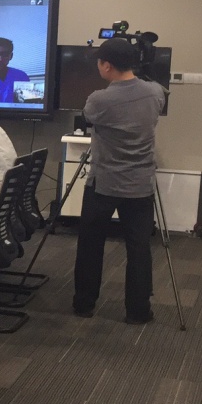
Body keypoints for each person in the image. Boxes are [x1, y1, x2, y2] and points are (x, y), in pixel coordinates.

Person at [72, 39, 166, 325]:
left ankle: (84, 304)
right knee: (139, 249)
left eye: (99, 62)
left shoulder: (99, 100)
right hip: (140, 183)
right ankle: (138, 311)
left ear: (107, 65)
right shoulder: (155, 92)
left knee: (91, 245)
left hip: (104, 183)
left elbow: (88, 118)